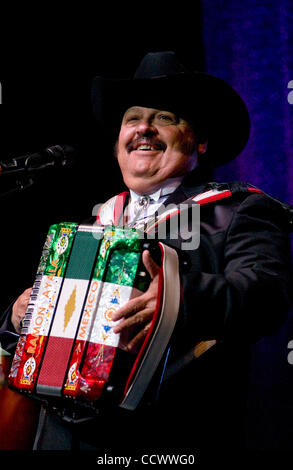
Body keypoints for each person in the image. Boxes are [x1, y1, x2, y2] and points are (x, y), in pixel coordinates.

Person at [0, 51, 292, 457]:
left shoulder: (237, 210)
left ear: (200, 140)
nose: (144, 128)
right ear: (118, 143)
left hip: (170, 435)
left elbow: (266, 296)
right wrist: (20, 317)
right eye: (132, 118)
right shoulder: (93, 223)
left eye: (166, 117)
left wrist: (175, 297)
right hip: (63, 436)